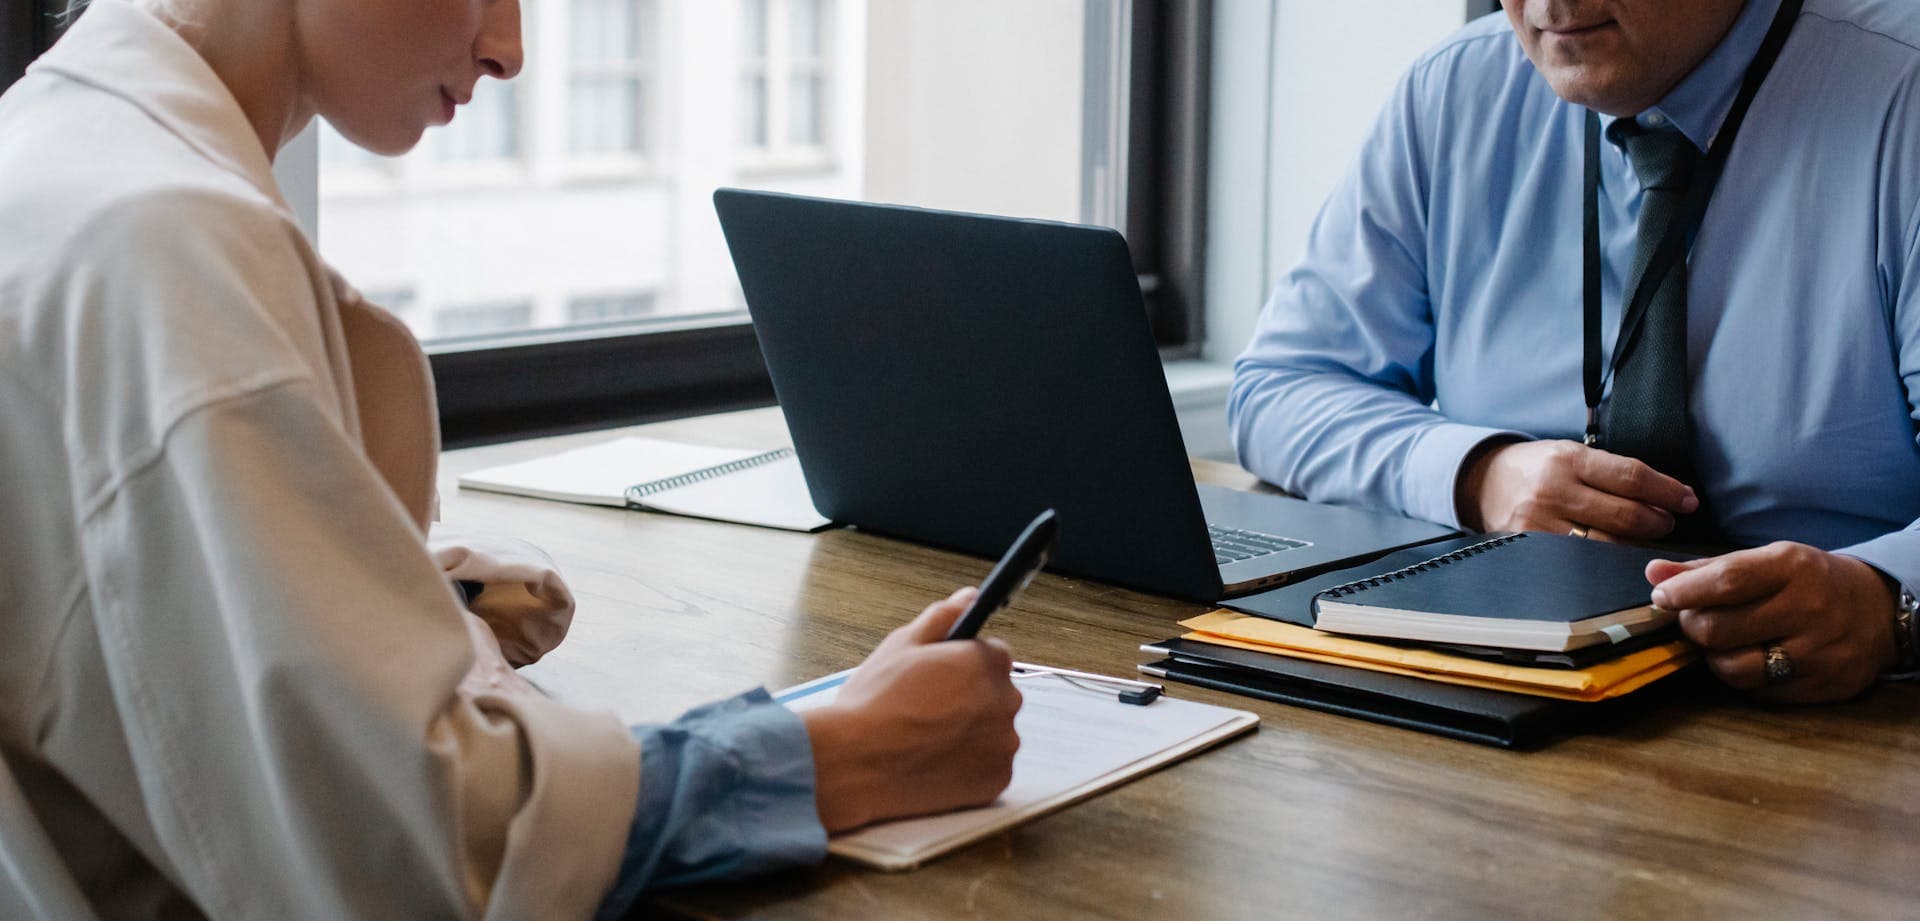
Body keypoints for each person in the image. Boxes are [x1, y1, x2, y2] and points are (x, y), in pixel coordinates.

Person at [0, 0, 1022, 917]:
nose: (510, 48)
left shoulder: (54, 153)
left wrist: (371, 596)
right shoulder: (171, 242)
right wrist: (837, 756)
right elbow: (408, 853)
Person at [1228, 0, 1920, 704]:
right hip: (1507, 696)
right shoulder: (1454, 92)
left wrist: (1888, 600)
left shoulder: (1905, 93)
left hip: (1845, 726)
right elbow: (1282, 386)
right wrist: (1479, 475)